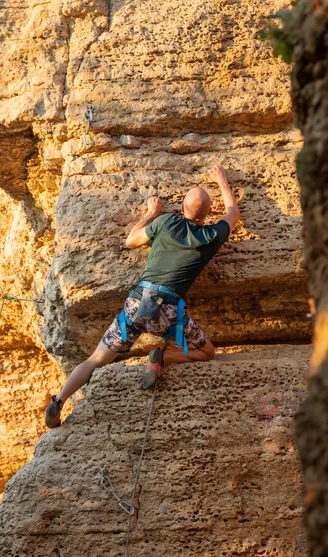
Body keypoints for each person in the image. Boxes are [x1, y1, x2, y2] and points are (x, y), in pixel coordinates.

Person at [45, 165, 240, 428]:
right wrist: (222, 181)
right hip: (168, 313)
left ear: (182, 210)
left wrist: (150, 213)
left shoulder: (167, 221)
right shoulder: (210, 235)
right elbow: (233, 213)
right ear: (209, 214)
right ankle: (162, 357)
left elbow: (131, 240)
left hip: (137, 304)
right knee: (206, 352)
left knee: (95, 359)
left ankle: (58, 402)